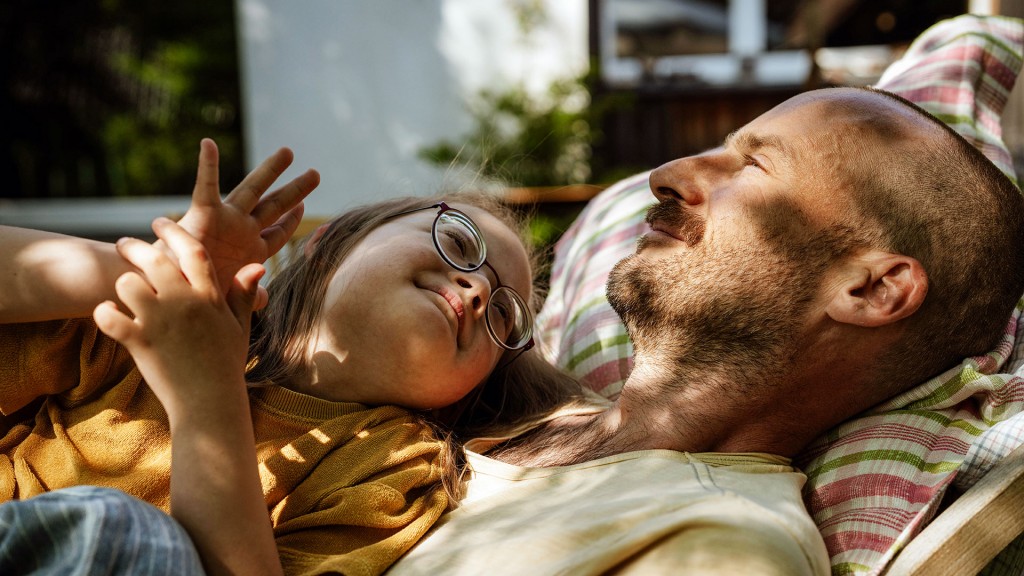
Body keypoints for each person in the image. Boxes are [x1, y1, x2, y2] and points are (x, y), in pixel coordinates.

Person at [382, 86, 1024, 574]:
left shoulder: (720, 544)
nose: (665, 176)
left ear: (871, 289)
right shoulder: (477, 390)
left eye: (752, 166)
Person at [0, 140, 585, 575]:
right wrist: (157, 273)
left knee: (119, 531)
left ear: (465, 392)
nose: (478, 291)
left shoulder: (396, 464)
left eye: (503, 317)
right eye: (457, 241)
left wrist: (205, 395)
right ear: (329, 243)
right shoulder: (148, 324)